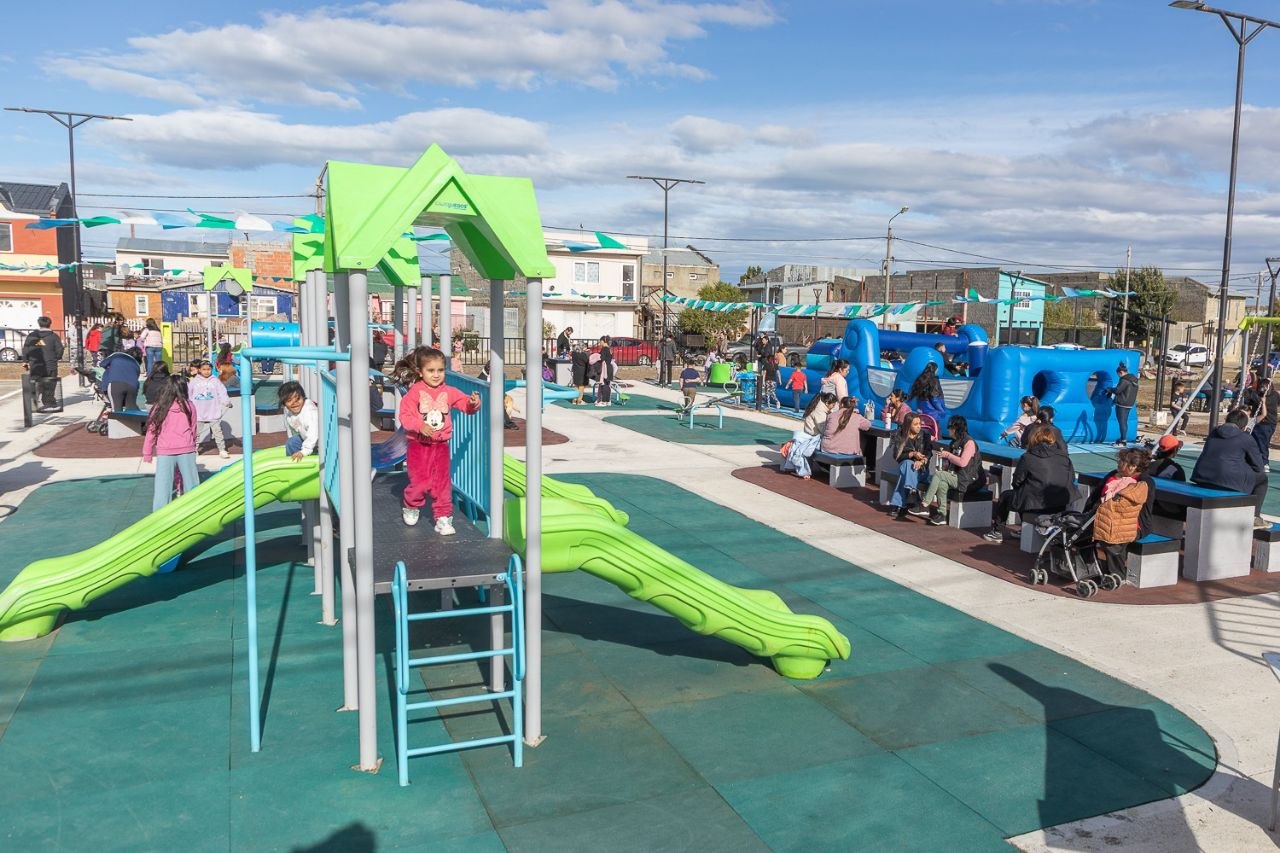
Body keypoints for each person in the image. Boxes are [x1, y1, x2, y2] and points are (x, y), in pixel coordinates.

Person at [394, 346, 482, 534]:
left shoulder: (448, 391)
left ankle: (443, 517)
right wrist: (420, 425)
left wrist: (472, 403)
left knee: (442, 483)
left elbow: (463, 402)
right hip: (419, 445)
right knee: (421, 482)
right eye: (431, 370)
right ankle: (411, 504)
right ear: (420, 372)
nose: (436, 375)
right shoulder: (414, 393)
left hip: (440, 445)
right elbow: (405, 416)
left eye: (440, 370)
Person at [984, 427, 1074, 542]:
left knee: (1008, 496)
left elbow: (1017, 481)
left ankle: (997, 531)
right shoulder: (1064, 457)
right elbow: (1071, 477)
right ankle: (1024, 528)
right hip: (1061, 503)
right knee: (1024, 496)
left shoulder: (1028, 457)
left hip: (1037, 503)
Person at [1192, 407, 1270, 528]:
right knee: (1262, 479)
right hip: (1228, 480)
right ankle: (1255, 516)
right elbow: (1258, 466)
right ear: (1244, 427)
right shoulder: (1246, 438)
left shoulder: (1214, 432)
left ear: (1226, 420)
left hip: (1201, 476)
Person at [1088, 448, 1154, 581]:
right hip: (1106, 517)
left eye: (1122, 461)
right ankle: (1090, 567)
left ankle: (1117, 575)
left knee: (1113, 539)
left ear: (1133, 466)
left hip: (1133, 523)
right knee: (1082, 534)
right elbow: (1094, 498)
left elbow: (1123, 506)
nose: (1118, 463)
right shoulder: (1113, 475)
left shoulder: (1144, 482)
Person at [912, 415, 984, 525]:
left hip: (971, 480)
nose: (948, 429)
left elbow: (962, 462)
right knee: (942, 483)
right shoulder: (954, 442)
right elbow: (953, 463)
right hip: (960, 477)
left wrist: (948, 455)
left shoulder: (969, 443)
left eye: (950, 427)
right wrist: (947, 464)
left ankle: (925, 504)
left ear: (956, 429)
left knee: (939, 475)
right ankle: (942, 515)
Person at [142, 374, 199, 512]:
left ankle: (160, 513)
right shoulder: (189, 406)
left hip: (165, 450)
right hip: (186, 448)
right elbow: (193, 427)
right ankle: (195, 509)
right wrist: (193, 443)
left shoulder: (159, 407)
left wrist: (147, 452)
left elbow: (151, 431)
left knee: (162, 485)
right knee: (192, 482)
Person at [780, 391, 837, 479]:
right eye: (833, 405)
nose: (833, 407)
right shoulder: (820, 412)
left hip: (810, 435)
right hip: (813, 437)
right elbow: (823, 429)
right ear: (827, 403)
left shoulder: (817, 407)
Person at [887, 413, 933, 520]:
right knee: (907, 464)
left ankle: (899, 504)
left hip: (921, 470)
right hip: (906, 467)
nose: (919, 426)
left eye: (919, 424)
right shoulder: (900, 435)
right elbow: (897, 457)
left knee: (904, 473)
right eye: (915, 424)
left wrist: (921, 462)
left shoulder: (925, 435)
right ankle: (912, 492)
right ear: (908, 425)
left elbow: (929, 453)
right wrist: (912, 454)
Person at [189, 360, 231, 459]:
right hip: (198, 412)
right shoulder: (194, 381)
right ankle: (193, 450)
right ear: (199, 370)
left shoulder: (215, 381)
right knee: (196, 433)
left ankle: (222, 449)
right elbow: (189, 394)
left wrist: (226, 402)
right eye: (204, 369)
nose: (206, 371)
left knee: (217, 432)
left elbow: (222, 392)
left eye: (209, 369)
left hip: (213, 411)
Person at [22, 316, 64, 412]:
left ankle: (33, 403)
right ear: (50, 324)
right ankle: (49, 402)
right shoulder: (54, 336)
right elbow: (60, 350)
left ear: (39, 324)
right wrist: (55, 358)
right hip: (50, 364)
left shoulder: (32, 336)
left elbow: (26, 349)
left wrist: (25, 360)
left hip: (35, 364)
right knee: (50, 383)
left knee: (35, 383)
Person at [278, 381, 320, 463]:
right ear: (284, 403)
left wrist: (304, 451)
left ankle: (308, 460)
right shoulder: (289, 412)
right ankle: (294, 463)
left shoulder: (310, 412)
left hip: (321, 441)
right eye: (289, 400)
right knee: (291, 442)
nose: (294, 403)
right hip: (306, 438)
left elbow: (313, 434)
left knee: (300, 443)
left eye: (298, 399)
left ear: (303, 397)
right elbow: (291, 429)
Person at [100, 347, 142, 412]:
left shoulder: (117, 355)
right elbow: (136, 377)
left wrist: (110, 367)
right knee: (131, 409)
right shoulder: (136, 364)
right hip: (133, 386)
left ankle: (117, 418)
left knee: (117, 410)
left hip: (116, 384)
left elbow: (102, 364)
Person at [1109, 363, 1139, 447]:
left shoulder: (1124, 380)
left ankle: (1123, 441)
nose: (1118, 376)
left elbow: (1117, 390)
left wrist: (1109, 389)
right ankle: (1122, 438)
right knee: (1124, 422)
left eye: (1118, 375)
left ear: (1121, 372)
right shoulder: (1133, 379)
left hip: (1121, 403)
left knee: (1122, 422)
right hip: (1129, 403)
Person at [1251, 371, 1278, 461]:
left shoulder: (1272, 396)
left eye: (1264, 387)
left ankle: (1264, 461)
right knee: (1255, 442)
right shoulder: (1258, 395)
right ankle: (1256, 460)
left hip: (1267, 423)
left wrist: (1263, 401)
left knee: (1262, 442)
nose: (1262, 389)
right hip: (1259, 422)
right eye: (1261, 387)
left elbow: (1261, 401)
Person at [595, 335, 615, 407]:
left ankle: (603, 401)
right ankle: (608, 401)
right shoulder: (609, 349)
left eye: (600, 341)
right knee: (607, 384)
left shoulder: (604, 349)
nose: (600, 343)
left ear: (603, 341)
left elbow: (602, 358)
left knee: (604, 385)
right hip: (609, 368)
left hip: (605, 368)